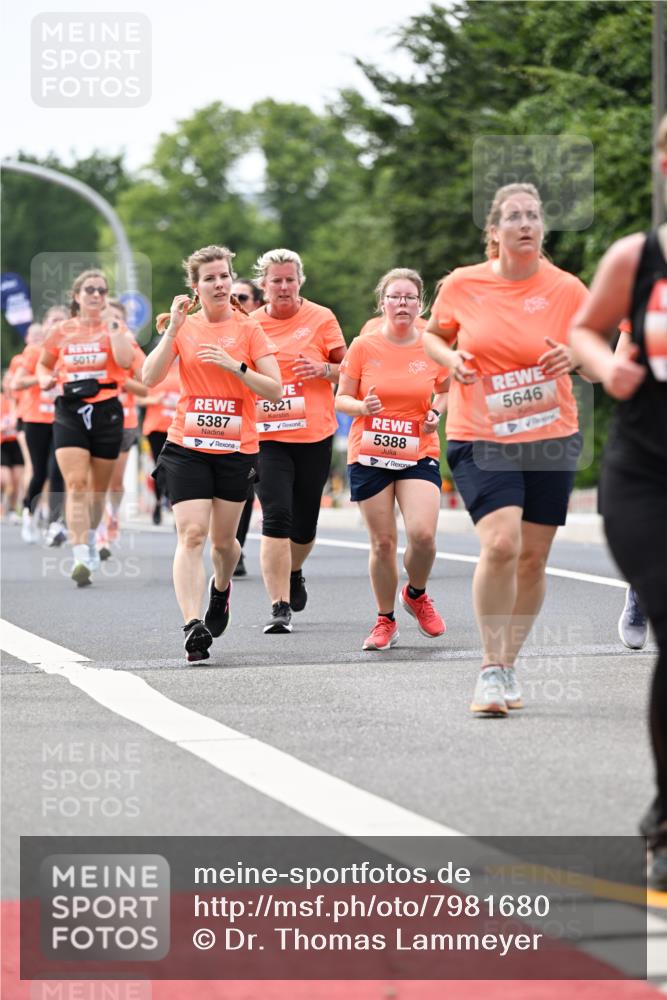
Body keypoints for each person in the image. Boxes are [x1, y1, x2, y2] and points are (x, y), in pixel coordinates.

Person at [424, 182, 591, 716]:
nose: (526, 224)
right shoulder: (463, 284)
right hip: (481, 433)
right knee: (500, 544)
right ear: (494, 232)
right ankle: (490, 668)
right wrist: (450, 360)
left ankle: (508, 662)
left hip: (549, 436)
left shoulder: (567, 289)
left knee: (533, 559)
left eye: (534, 215)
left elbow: (597, 359)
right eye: (514, 216)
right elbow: (433, 336)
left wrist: (574, 358)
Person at [570, 116, 667, 887]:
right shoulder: (636, 258)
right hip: (645, 475)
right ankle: (666, 815)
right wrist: (607, 368)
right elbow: (582, 330)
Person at [143, 245, 281, 663]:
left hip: (236, 448)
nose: (219, 284)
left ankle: (220, 590)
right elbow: (149, 377)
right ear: (195, 286)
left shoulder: (249, 330)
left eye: (224, 276)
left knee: (224, 545)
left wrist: (234, 366)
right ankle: (192, 624)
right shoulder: (183, 326)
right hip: (187, 444)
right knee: (191, 534)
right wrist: (172, 330)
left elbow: (274, 390)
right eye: (210, 278)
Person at [336, 268, 448, 650]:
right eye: (395, 297)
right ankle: (385, 620)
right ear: (382, 302)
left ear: (420, 304)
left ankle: (416, 593)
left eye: (409, 297)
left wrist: (436, 412)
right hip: (370, 450)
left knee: (423, 536)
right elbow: (341, 398)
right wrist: (361, 406)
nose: (402, 303)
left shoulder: (432, 345)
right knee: (383, 543)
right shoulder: (363, 345)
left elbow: (446, 389)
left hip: (418, 448)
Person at [252, 248, 347, 634]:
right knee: (276, 515)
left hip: (313, 435)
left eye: (290, 279)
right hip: (266, 437)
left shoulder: (322, 318)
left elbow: (350, 371)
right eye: (276, 280)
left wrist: (323, 369)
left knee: (305, 525)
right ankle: (279, 605)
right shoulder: (251, 324)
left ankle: (294, 570)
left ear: (300, 281)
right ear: (263, 285)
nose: (284, 286)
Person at [36, 269, 134, 586]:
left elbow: (126, 361)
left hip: (107, 410)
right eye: (89, 289)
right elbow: (43, 363)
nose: (95, 294)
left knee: (97, 490)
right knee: (76, 484)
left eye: (101, 290)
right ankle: (79, 556)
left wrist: (114, 326)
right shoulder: (61, 331)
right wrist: (44, 379)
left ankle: (91, 538)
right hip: (70, 409)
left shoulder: (116, 328)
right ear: (76, 296)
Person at [96, 299, 148, 557]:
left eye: (116, 317)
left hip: (124, 420)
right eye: (107, 316)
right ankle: (100, 536)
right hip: (95, 420)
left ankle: (113, 516)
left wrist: (120, 381)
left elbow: (146, 385)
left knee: (115, 484)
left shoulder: (128, 343)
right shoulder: (90, 342)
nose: (111, 321)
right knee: (97, 482)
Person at [12, 309, 68, 545]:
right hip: (35, 419)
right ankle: (29, 512)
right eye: (53, 320)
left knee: (57, 471)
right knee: (39, 472)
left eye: (62, 320)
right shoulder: (36, 351)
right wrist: (43, 378)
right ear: (45, 325)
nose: (57, 324)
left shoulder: (70, 351)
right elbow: (17, 383)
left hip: (62, 418)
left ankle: (55, 522)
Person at [231, 278, 265, 577]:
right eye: (230, 296)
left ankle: (238, 547)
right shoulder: (219, 331)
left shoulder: (261, 332)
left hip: (276, 428)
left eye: (241, 297)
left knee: (251, 490)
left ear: (256, 303)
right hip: (235, 426)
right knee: (238, 490)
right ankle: (232, 547)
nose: (234, 302)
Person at [141, 359, 180, 525]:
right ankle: (158, 501)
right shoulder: (154, 371)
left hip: (178, 428)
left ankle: (175, 506)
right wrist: (154, 400)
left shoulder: (185, 371)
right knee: (161, 467)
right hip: (156, 427)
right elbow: (136, 398)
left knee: (176, 469)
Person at [0, 369, 24, 521]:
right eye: (7, 381)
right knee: (6, 480)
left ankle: (13, 510)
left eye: (12, 381)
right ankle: (2, 508)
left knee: (16, 481)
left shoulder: (20, 400)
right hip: (2, 444)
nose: (9, 385)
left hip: (17, 443)